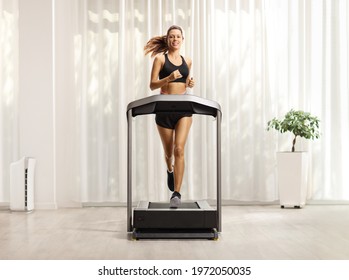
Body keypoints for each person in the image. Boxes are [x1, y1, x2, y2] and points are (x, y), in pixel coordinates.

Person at [144, 25, 195, 208]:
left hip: (183, 108)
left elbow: (185, 83)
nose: (175, 39)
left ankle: (177, 194)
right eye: (172, 37)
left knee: (179, 149)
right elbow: (152, 85)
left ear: (182, 39)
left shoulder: (187, 61)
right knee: (168, 153)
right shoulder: (159, 59)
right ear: (167, 39)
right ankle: (169, 169)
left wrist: (189, 83)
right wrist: (168, 79)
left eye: (178, 37)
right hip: (164, 108)